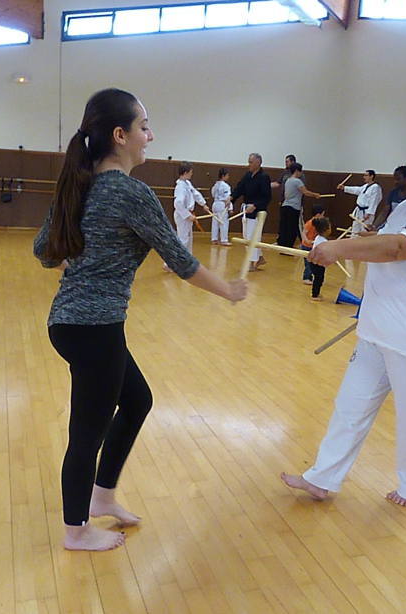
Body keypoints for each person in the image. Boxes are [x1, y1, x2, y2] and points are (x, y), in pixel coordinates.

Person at [33, 88, 248, 551]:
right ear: (120, 135)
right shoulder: (131, 193)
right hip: (94, 329)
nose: (150, 136)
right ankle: (76, 531)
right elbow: (181, 261)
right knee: (86, 434)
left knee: (137, 401)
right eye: (144, 127)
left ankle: (102, 497)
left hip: (72, 324)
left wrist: (83, 259)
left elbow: (44, 252)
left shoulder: (79, 184)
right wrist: (228, 290)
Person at [281, 132, 406, 507]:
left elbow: (396, 249)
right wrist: (340, 245)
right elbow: (383, 243)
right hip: (378, 331)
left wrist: (339, 248)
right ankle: (323, 477)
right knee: (350, 406)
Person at [231, 153, 272, 272]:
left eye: (251, 162)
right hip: (247, 210)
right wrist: (231, 197)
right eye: (248, 162)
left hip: (258, 212)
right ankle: (259, 258)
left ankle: (251, 262)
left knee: (252, 237)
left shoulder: (264, 177)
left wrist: (255, 205)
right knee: (246, 236)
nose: (248, 164)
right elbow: (240, 188)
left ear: (258, 163)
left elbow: (267, 197)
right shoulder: (248, 175)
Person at [278, 163, 322, 248]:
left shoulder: (288, 180)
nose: (301, 173)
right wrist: (315, 195)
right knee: (292, 228)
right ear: (296, 171)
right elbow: (305, 192)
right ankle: (289, 247)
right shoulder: (297, 181)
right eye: (300, 171)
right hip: (293, 208)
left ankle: (282, 246)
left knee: (284, 228)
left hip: (285, 206)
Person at [172, 161, 210, 254]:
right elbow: (178, 203)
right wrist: (187, 215)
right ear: (185, 172)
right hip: (182, 216)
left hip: (187, 214)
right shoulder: (180, 187)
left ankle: (188, 259)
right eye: (191, 172)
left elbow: (195, 194)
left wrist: (203, 204)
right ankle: (177, 260)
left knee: (188, 239)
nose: (192, 174)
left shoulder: (187, 183)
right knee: (183, 240)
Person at [337, 170, 382, 236]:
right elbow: (356, 190)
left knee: (364, 230)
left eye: (366, 175)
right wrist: (344, 188)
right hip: (358, 211)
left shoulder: (376, 187)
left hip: (366, 212)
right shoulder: (365, 186)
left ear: (371, 176)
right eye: (364, 175)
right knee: (355, 228)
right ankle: (353, 240)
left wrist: (369, 213)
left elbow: (374, 201)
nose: (364, 177)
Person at [301, 204, 326, 284]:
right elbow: (304, 233)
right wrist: (307, 240)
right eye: (322, 214)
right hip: (307, 246)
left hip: (313, 246)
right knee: (308, 263)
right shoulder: (310, 223)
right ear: (318, 214)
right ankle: (306, 278)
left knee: (314, 263)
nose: (323, 216)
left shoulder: (319, 223)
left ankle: (314, 278)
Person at [309, 216, 331, 301]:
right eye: (329, 227)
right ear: (326, 230)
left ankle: (316, 293)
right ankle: (314, 295)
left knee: (319, 278)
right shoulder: (323, 241)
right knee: (318, 279)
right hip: (317, 263)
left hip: (316, 262)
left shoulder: (318, 238)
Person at [211, 167, 233, 246]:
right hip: (222, 205)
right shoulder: (225, 186)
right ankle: (224, 240)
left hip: (215, 204)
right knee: (223, 222)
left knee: (215, 222)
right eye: (227, 175)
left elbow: (213, 194)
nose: (228, 177)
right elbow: (228, 198)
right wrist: (230, 208)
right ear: (223, 176)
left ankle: (214, 239)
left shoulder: (215, 185)